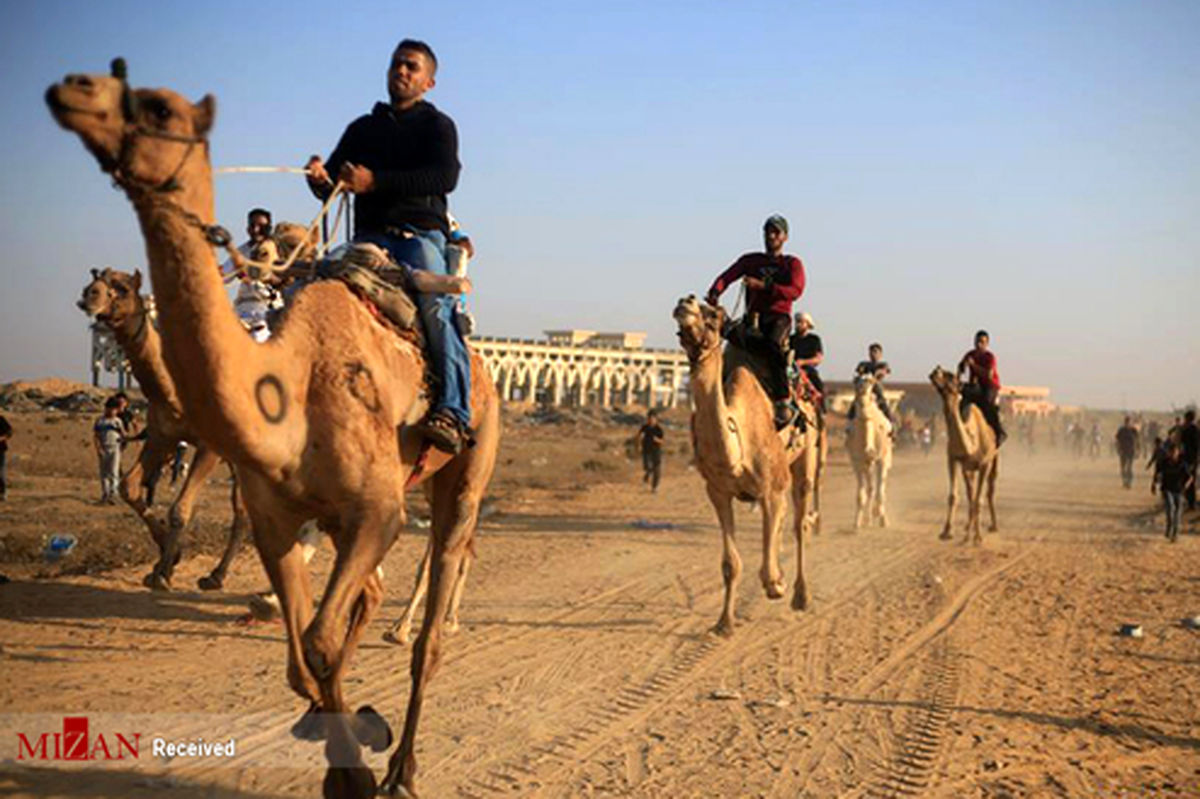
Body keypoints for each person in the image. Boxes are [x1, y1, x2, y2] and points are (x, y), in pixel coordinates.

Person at [306, 39, 470, 454]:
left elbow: (444, 177)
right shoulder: (362, 129)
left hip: (418, 237)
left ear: (428, 82)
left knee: (436, 308)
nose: (402, 71)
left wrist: (375, 182)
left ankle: (454, 410)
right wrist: (320, 180)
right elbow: (333, 184)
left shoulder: (438, 127)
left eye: (411, 67)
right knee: (309, 294)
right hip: (366, 239)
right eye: (397, 64)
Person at [705, 215, 806, 428]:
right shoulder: (751, 261)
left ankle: (782, 401)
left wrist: (764, 286)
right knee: (725, 338)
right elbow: (728, 275)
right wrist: (715, 291)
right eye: (768, 231)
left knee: (772, 346)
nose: (771, 236)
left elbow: (795, 291)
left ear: (785, 237)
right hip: (752, 318)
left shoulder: (791, 264)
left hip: (778, 318)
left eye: (776, 232)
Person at [957, 330, 1006, 445]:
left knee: (988, 405)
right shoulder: (970, 354)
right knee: (962, 399)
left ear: (986, 344)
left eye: (982, 342)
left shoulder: (990, 357)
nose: (979, 344)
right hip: (976, 386)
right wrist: (962, 368)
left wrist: (973, 365)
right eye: (977, 341)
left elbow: (989, 375)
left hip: (990, 386)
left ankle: (999, 432)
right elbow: (961, 368)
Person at [847, 343, 896, 429]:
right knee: (857, 400)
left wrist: (878, 374)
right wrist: (860, 375)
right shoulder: (864, 364)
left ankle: (891, 422)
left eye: (875, 352)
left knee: (881, 398)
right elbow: (858, 372)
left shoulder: (882, 365)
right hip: (864, 387)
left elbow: (885, 371)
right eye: (871, 352)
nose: (873, 354)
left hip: (875, 387)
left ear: (880, 354)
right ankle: (850, 421)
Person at [93, 397, 126, 505]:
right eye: (110, 409)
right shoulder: (100, 421)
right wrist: (99, 449)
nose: (112, 412)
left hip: (115, 448)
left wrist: (123, 445)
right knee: (104, 473)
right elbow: (96, 436)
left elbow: (123, 435)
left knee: (114, 472)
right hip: (104, 448)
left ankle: (114, 494)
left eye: (115, 409)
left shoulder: (117, 422)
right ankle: (105, 493)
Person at [1158, 441, 1192, 542]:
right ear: (1168, 452)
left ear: (1178, 452)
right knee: (1170, 509)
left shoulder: (1182, 464)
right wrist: (1156, 482)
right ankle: (1169, 528)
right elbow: (1159, 474)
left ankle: (1175, 534)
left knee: (1177, 513)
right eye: (1171, 452)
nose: (1173, 454)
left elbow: (1190, 477)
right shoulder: (1164, 462)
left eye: (1175, 452)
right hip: (1167, 489)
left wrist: (1186, 486)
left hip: (1179, 490)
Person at [789, 312, 824, 411]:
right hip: (791, 369)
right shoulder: (790, 339)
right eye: (797, 322)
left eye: (801, 322)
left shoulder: (814, 339)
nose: (798, 325)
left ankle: (821, 413)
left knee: (818, 386)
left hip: (808, 370)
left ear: (807, 324)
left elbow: (818, 358)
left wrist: (803, 362)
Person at [638, 411, 665, 492]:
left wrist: (657, 440)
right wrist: (639, 442)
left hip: (656, 451)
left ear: (656, 419)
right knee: (648, 467)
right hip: (646, 451)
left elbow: (662, 441)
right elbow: (639, 436)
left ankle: (655, 487)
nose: (651, 420)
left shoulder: (658, 429)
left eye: (653, 419)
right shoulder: (644, 427)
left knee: (657, 470)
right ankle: (647, 476)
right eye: (649, 419)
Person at [1179, 410, 1199, 510]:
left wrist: (1194, 460)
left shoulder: (1192, 430)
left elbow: (1195, 446)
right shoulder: (1189, 429)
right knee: (1188, 479)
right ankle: (1190, 502)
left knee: (1190, 479)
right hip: (1189, 458)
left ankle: (1191, 503)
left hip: (1190, 459)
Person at [1115, 416, 1138, 489]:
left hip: (1131, 450)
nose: (1128, 423)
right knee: (1123, 467)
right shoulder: (1121, 430)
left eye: (1129, 422)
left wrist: (1137, 450)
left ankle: (1129, 482)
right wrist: (1118, 449)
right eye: (1127, 422)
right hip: (1123, 450)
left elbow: (1137, 441)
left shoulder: (1133, 430)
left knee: (1129, 467)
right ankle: (1125, 481)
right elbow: (1117, 440)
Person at [0, 413, 11, 501]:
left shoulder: (1, 420)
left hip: (0, 450)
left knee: (0, 472)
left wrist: (2, 438)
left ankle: (2, 492)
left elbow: (9, 431)